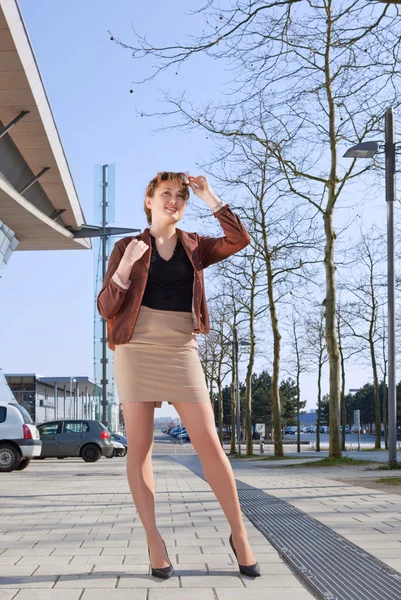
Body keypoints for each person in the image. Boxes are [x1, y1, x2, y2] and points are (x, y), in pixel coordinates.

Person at [97, 171, 260, 579]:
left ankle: (239, 534)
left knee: (208, 443)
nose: (174, 200)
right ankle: (154, 540)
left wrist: (211, 198)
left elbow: (239, 240)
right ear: (148, 201)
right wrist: (125, 269)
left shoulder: (196, 246)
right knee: (140, 447)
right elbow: (105, 307)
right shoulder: (126, 246)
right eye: (165, 193)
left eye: (181, 196)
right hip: (135, 348)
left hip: (181, 346)